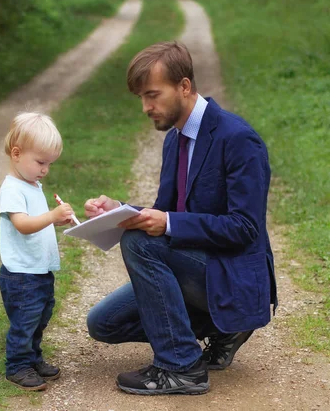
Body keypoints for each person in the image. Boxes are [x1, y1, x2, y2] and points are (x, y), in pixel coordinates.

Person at [84, 41, 277, 395]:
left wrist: (165, 224)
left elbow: (245, 229)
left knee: (140, 243)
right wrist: (121, 209)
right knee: (103, 324)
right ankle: (221, 328)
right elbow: (165, 212)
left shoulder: (238, 139)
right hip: (197, 266)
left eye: (153, 95)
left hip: (232, 274)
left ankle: (182, 366)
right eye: (142, 98)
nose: (146, 107)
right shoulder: (175, 140)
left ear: (184, 86)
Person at [0, 112, 76, 391]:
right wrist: (52, 216)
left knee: (40, 317)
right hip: (21, 275)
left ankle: (32, 358)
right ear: (17, 154)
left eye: (49, 164)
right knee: (25, 320)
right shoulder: (12, 190)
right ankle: (17, 366)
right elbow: (22, 225)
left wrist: (56, 219)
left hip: (38, 270)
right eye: (40, 162)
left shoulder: (31, 185)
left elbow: (38, 223)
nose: (45, 169)